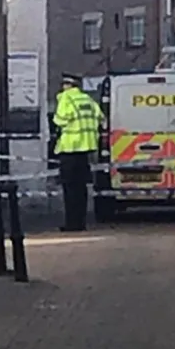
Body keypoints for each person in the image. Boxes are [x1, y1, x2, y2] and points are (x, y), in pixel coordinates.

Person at [53, 73, 103, 232]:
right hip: (86, 149)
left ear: (67, 85)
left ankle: (71, 223)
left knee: (69, 189)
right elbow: (101, 117)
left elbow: (60, 119)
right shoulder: (88, 100)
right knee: (81, 189)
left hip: (69, 148)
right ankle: (81, 223)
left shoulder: (66, 98)